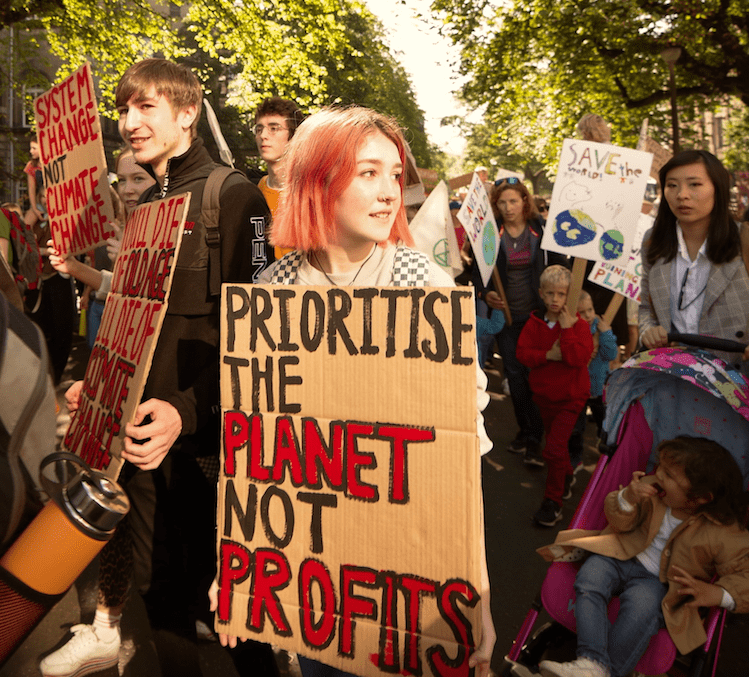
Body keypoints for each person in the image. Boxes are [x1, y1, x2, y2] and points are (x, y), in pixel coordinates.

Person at [209, 105, 496, 677]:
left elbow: (458, 460)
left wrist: (477, 593)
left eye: (394, 173)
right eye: (368, 173)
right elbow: (259, 449)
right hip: (320, 583)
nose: (390, 191)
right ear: (318, 179)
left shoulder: (426, 288)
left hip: (409, 576)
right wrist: (238, 562)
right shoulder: (272, 290)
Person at [40, 58, 275, 677]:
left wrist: (189, 410)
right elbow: (134, 317)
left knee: (234, 618)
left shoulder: (236, 197)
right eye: (124, 109)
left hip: (204, 447)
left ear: (188, 113)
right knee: (160, 595)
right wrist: (99, 382)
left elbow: (256, 338)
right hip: (140, 442)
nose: (129, 122)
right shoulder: (149, 203)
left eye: (146, 107)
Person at [537, 436, 749, 677]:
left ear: (700, 498)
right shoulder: (651, 491)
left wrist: (718, 594)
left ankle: (607, 671)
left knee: (642, 607)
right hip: (622, 554)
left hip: (659, 582)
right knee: (590, 576)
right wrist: (627, 498)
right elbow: (619, 522)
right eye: (660, 467)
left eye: (669, 475)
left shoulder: (722, 531)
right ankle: (591, 661)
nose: (658, 475)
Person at [639, 150, 749, 371]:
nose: (682, 195)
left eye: (694, 185)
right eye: (672, 185)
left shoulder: (742, 239)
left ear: (717, 189)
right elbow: (645, 308)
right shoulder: (654, 241)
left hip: (735, 378)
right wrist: (647, 331)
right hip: (675, 376)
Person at [481, 177, 552, 465]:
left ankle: (536, 439)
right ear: (495, 206)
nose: (508, 207)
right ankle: (526, 431)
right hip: (507, 321)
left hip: (537, 318)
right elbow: (479, 273)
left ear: (525, 201)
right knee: (516, 380)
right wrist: (487, 295)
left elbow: (560, 265)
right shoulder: (491, 233)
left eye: (513, 200)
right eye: (502, 202)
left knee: (536, 379)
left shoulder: (542, 231)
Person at [516, 264, 594, 527]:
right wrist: (547, 355)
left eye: (561, 294)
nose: (555, 300)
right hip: (545, 397)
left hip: (571, 399)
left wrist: (568, 330)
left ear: (569, 296)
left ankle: (553, 501)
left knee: (553, 450)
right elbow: (522, 353)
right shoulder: (534, 322)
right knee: (556, 448)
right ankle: (567, 474)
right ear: (541, 293)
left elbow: (577, 358)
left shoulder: (579, 326)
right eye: (550, 294)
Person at [568, 291, 617, 472]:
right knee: (576, 427)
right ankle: (576, 457)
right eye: (582, 312)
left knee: (604, 421)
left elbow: (611, 354)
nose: (588, 315)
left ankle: (604, 444)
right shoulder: (572, 328)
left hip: (598, 388)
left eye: (590, 309)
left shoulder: (601, 327)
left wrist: (606, 334)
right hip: (579, 389)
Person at [253, 96, 304, 259]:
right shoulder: (255, 191)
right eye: (259, 129)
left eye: (274, 128)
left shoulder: (310, 192)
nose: (263, 136)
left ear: (293, 136)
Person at [23, 135, 44, 227]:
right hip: (41, 203)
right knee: (24, 227)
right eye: (30, 148)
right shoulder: (31, 166)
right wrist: (35, 209)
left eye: (34, 148)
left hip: (56, 203)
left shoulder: (54, 162)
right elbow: (31, 188)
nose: (31, 151)